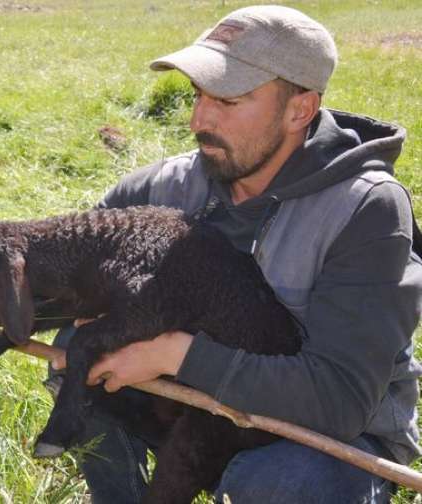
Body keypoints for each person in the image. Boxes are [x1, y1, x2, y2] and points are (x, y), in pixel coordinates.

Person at [49, 5, 422, 503]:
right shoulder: (166, 186)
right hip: (185, 408)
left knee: (285, 483)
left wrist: (172, 355)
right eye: (199, 95)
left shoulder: (364, 209)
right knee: (76, 357)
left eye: (228, 100)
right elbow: (58, 271)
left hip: (324, 435)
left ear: (299, 110)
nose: (199, 120)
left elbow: (339, 401)